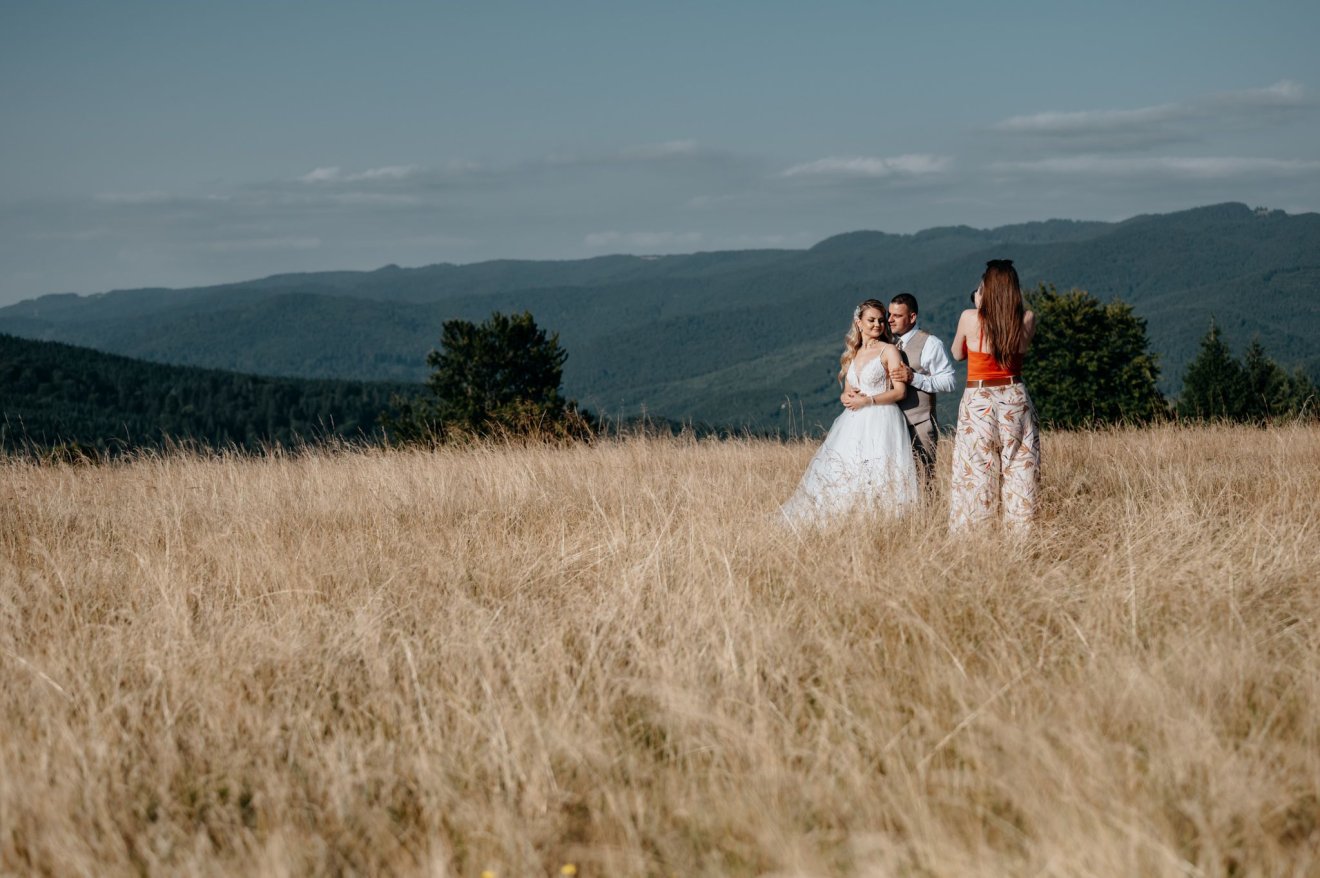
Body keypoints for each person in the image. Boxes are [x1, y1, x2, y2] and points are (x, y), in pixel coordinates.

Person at [781, 299, 919, 524]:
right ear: (859, 322)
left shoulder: (889, 350)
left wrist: (869, 401)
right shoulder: (854, 353)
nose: (877, 325)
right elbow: (848, 389)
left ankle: (882, 522)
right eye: (871, 320)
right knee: (848, 469)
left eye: (881, 320)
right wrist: (845, 396)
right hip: (853, 421)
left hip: (882, 418)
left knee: (878, 471)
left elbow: (900, 392)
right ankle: (846, 519)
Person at [949, 259, 1041, 529]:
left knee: (977, 470)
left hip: (980, 398)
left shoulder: (970, 318)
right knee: (1021, 469)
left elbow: (957, 353)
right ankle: (1022, 537)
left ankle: (976, 537)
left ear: (985, 290)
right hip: (1015, 395)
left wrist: (978, 307)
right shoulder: (1028, 318)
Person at [885, 293, 956, 483]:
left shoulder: (931, 343)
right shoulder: (885, 341)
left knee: (923, 479)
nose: (890, 320)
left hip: (920, 423)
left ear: (912, 317)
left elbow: (949, 382)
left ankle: (928, 513)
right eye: (889, 314)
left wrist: (914, 378)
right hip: (888, 423)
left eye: (897, 316)